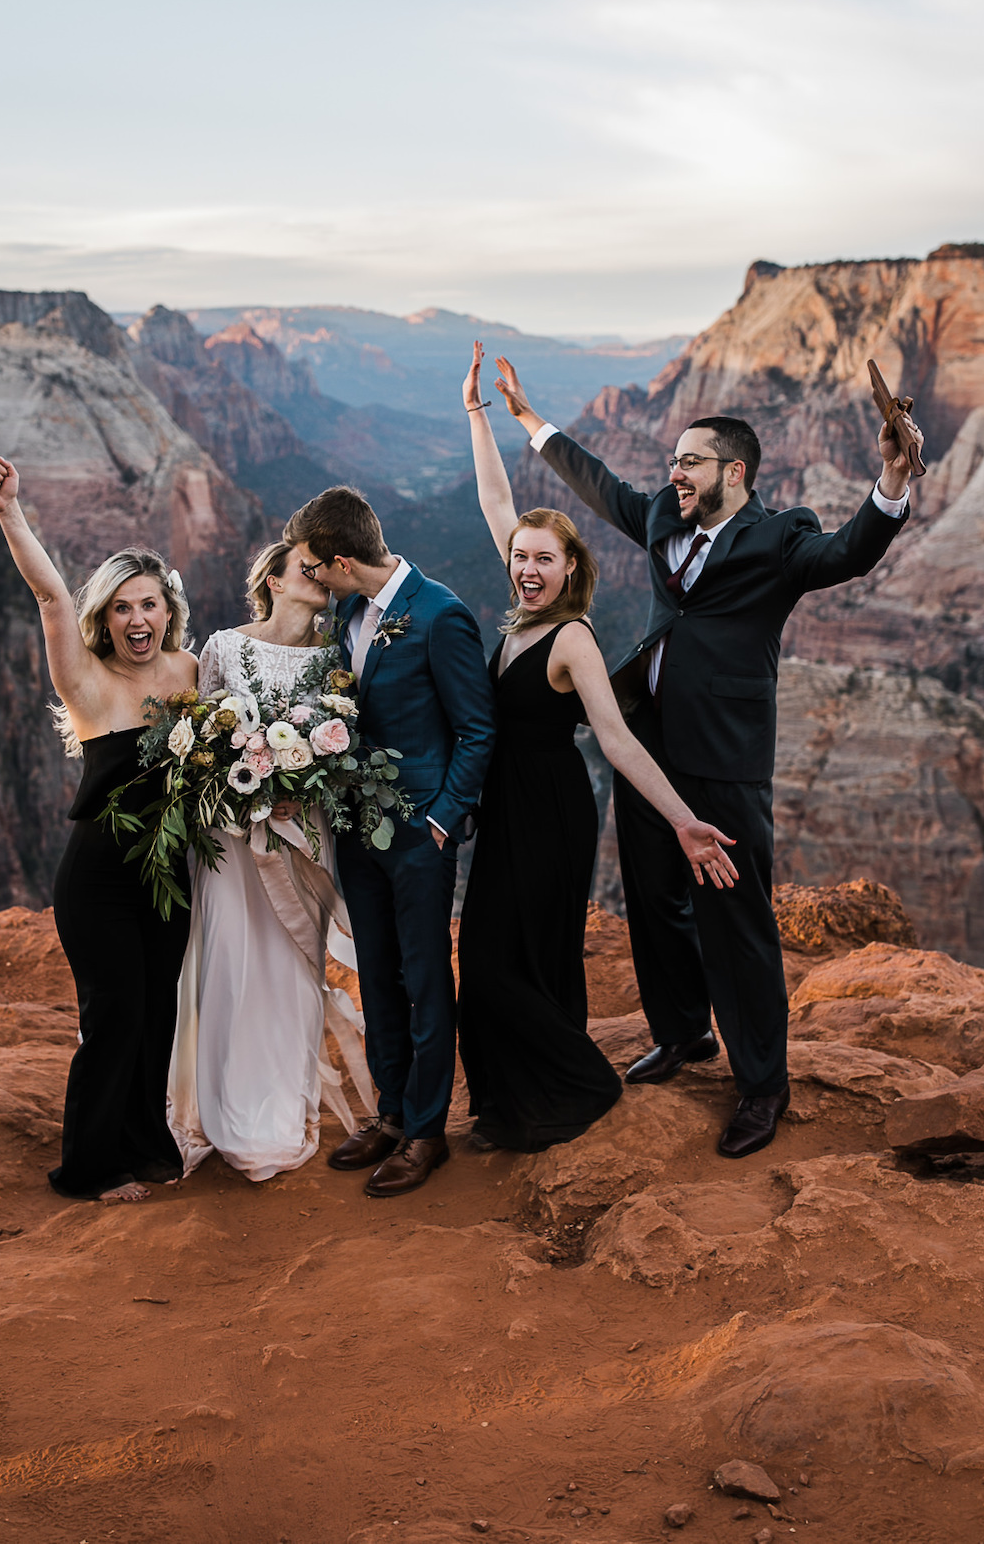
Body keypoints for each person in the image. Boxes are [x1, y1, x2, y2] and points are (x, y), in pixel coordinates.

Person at [498, 354, 920, 1157]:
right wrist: (528, 421)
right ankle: (684, 1030)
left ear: (735, 469)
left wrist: (891, 481)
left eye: (689, 461)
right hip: (650, 739)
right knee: (655, 897)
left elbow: (848, 554)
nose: (674, 472)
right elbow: (605, 487)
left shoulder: (779, 535)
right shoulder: (663, 514)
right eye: (673, 461)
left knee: (737, 917)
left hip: (726, 756)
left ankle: (762, 1084)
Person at [455, 346, 739, 1153]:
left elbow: (616, 740)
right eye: (521, 557)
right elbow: (494, 498)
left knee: (506, 959)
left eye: (545, 558)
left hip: (551, 809)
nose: (528, 567)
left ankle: (574, 1086)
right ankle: (516, 1104)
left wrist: (683, 821)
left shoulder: (571, 636)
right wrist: (479, 412)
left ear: (571, 566)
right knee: (509, 953)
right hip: (507, 803)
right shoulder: (520, 615)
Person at [0, 456, 194, 1203]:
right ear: (106, 616)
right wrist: (10, 512)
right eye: (124, 608)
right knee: (115, 1012)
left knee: (158, 1007)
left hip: (170, 878)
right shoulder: (89, 684)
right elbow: (49, 595)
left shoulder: (190, 675)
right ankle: (92, 1166)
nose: (139, 619)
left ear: (169, 610)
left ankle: (146, 1141)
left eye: (150, 605)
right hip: (99, 878)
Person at [288, 486, 493, 1199]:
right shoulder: (348, 610)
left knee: (425, 977)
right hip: (356, 831)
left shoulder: (441, 615)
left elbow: (477, 730)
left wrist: (439, 821)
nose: (313, 579)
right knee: (376, 974)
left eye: (316, 567)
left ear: (343, 560)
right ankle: (393, 1110)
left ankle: (429, 1132)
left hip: (417, 837)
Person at [169, 539, 375, 1181]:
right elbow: (200, 749)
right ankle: (221, 1105)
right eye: (306, 570)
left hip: (305, 833)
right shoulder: (224, 647)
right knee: (231, 957)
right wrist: (248, 782)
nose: (320, 578)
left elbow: (349, 741)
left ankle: (280, 1112)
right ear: (274, 582)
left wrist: (303, 783)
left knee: (295, 964)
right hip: (232, 840)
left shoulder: (333, 655)